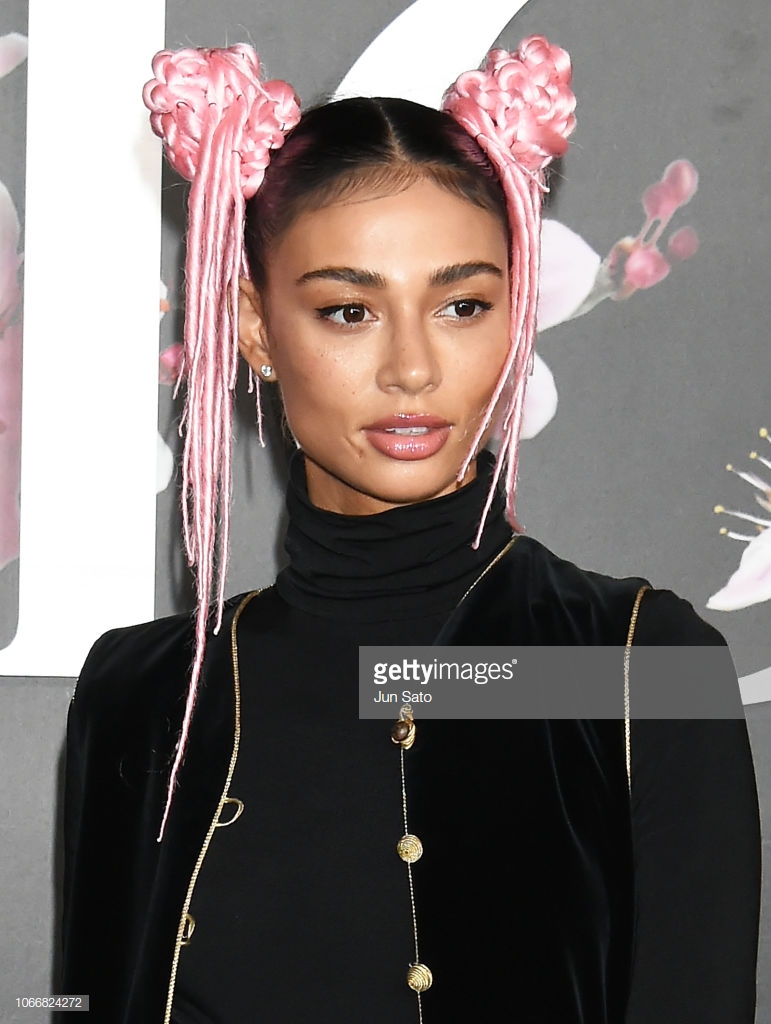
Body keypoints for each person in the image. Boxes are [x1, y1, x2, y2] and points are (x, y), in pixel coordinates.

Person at [57, 35, 761, 1024]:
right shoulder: (138, 692)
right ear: (254, 327)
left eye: (462, 304)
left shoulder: (640, 668)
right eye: (349, 311)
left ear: (516, 314)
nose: (413, 369)